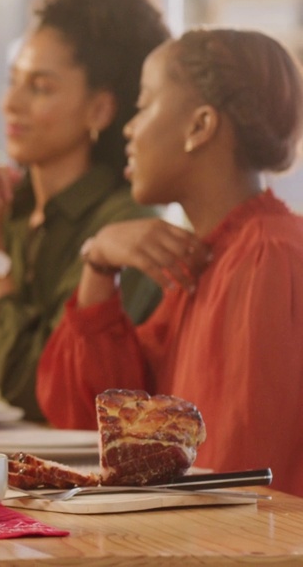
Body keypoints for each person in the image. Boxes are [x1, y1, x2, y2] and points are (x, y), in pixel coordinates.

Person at [38, 28, 303, 496]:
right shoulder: (203, 262)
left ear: (199, 127)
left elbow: (239, 487)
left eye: (143, 104)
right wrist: (98, 262)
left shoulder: (268, 258)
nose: (129, 127)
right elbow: (98, 429)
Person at [0, 0, 168, 420]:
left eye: (39, 87)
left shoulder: (126, 227)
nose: (10, 103)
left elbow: (40, 394)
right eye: (14, 80)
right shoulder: (6, 209)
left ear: (99, 109)